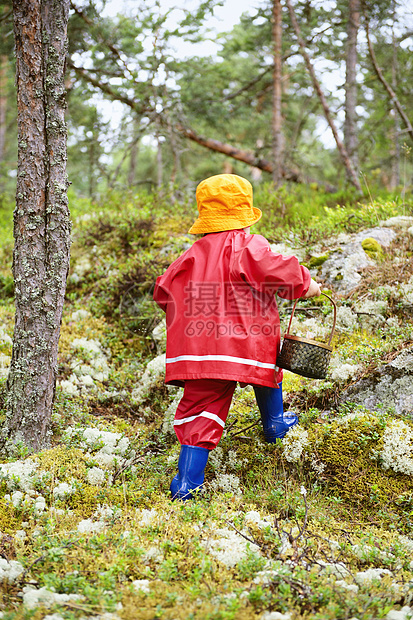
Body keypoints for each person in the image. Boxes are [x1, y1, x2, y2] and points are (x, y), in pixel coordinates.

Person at [153, 174, 321, 500]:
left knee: (201, 407)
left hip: (198, 349)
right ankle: (274, 424)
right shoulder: (246, 245)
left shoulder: (190, 254)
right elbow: (276, 270)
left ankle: (186, 484)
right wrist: (307, 284)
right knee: (268, 366)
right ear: (244, 216)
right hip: (246, 341)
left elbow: (163, 292)